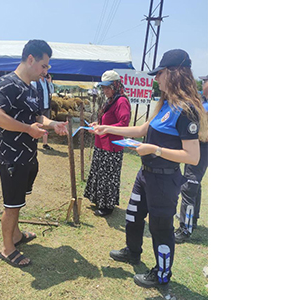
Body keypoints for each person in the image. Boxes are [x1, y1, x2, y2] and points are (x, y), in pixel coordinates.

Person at [95, 49, 206, 287]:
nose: (155, 79)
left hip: (164, 181)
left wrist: (154, 150)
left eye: (160, 73)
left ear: (175, 73)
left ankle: (162, 274)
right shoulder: (165, 104)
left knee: (160, 228)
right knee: (133, 216)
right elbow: (141, 130)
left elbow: (192, 157)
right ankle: (132, 251)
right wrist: (108, 128)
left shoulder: (186, 110)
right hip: (145, 175)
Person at [0, 40, 68, 267]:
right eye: (44, 66)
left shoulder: (31, 88)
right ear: (31, 59)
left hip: (27, 155)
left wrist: (53, 124)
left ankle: (16, 235)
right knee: (11, 204)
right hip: (11, 157)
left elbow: (36, 118)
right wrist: (27, 130)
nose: (45, 71)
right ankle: (7, 249)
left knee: (18, 202)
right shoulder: (7, 84)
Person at [85, 70, 131, 216]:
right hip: (101, 144)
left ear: (116, 85)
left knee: (108, 177)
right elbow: (106, 120)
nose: (105, 90)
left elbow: (124, 124)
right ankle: (99, 200)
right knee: (100, 173)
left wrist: (105, 128)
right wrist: (97, 124)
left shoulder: (121, 101)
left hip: (112, 147)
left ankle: (107, 206)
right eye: (103, 87)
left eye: (107, 87)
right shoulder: (110, 100)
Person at [175, 75, 209, 243]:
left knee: (190, 184)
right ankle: (192, 219)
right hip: (198, 146)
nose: (203, 85)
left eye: (205, 82)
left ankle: (185, 228)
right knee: (194, 184)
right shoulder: (203, 101)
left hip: (203, 146)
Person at [32, 73, 56, 150]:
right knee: (36, 125)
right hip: (38, 108)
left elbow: (52, 91)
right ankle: (33, 142)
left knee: (46, 126)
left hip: (46, 107)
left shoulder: (46, 82)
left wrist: (49, 82)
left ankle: (45, 143)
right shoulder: (35, 82)